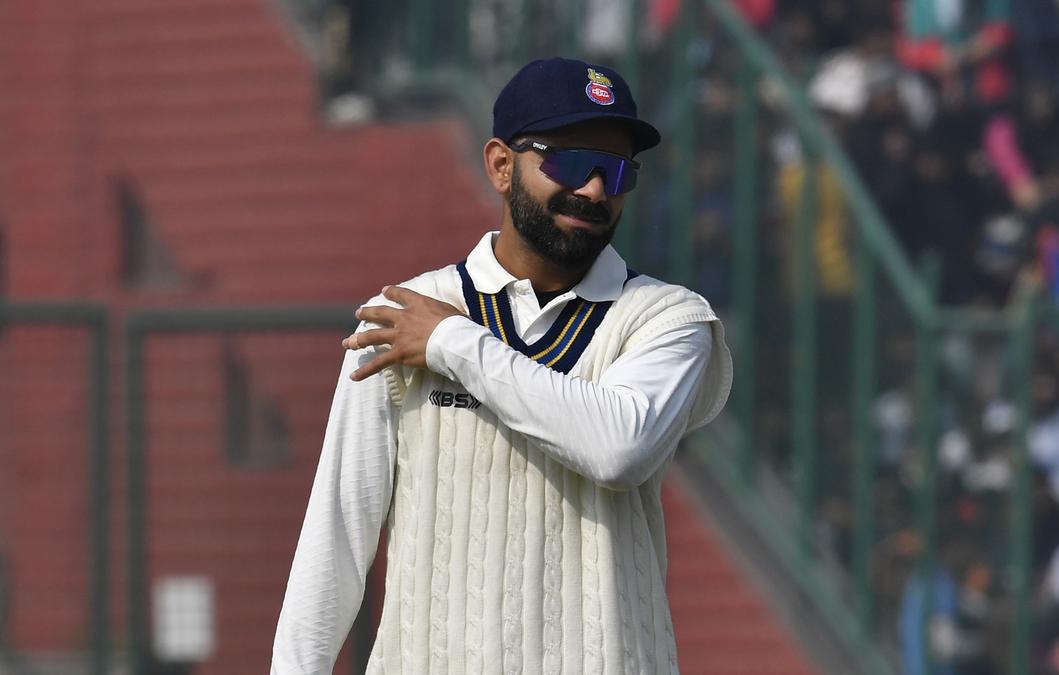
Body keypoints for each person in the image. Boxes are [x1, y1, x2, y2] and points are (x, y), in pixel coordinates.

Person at [270, 57, 733, 675]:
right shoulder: (400, 315)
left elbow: (621, 447)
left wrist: (451, 345)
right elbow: (336, 536)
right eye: (569, 161)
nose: (595, 190)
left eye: (616, 170)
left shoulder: (669, 318)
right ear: (500, 164)